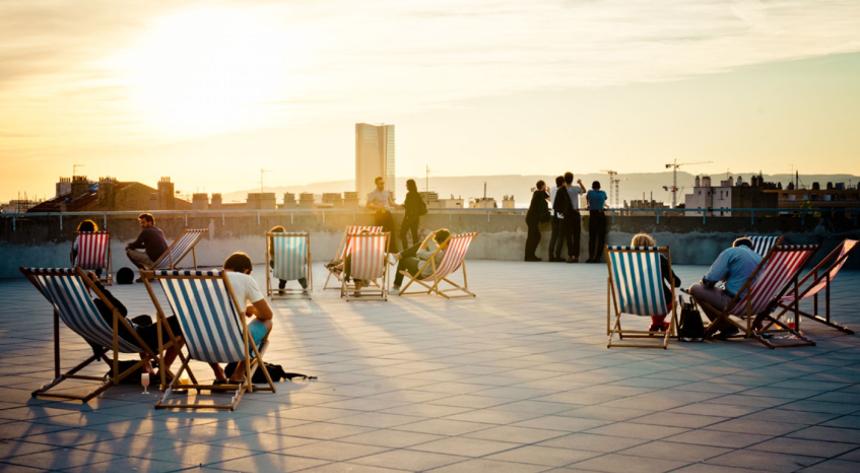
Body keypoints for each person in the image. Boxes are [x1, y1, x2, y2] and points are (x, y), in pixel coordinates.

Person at [85, 271, 183, 380]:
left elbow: (88, 334)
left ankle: (147, 367)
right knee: (181, 323)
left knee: (145, 319)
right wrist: (98, 286)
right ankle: (163, 372)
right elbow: (122, 310)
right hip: (136, 338)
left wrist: (98, 349)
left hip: (121, 337)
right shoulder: (97, 305)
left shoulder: (84, 310)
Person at [212, 252, 274, 384]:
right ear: (246, 270)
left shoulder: (206, 279)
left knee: (205, 327)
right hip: (234, 345)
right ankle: (238, 374)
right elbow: (267, 314)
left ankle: (218, 372)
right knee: (268, 322)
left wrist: (243, 309)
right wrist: (252, 309)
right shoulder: (245, 279)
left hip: (202, 346)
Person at [689, 237, 762, 338]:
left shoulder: (731, 252)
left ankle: (725, 327)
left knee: (695, 289)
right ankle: (722, 325)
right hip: (757, 305)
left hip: (736, 304)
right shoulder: (760, 258)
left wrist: (707, 282)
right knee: (720, 292)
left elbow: (709, 280)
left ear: (734, 246)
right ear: (751, 248)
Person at [630, 233, 680, 332]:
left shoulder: (629, 262)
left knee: (651, 296)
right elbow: (676, 282)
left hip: (635, 301)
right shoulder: (659, 259)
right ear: (651, 245)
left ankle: (657, 324)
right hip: (661, 301)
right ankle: (657, 323)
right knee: (666, 298)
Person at [268, 225, 308, 295]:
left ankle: (281, 287)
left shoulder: (272, 248)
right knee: (295, 264)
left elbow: (274, 262)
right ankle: (305, 287)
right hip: (295, 267)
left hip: (281, 269)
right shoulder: (289, 243)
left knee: (278, 264)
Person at [367, 176, 398, 252]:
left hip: (387, 214)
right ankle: (380, 251)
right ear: (376, 184)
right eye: (380, 183)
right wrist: (377, 206)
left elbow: (391, 203)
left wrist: (400, 205)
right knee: (380, 233)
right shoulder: (373, 193)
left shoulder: (387, 192)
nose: (382, 185)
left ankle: (391, 251)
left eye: (383, 183)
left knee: (391, 232)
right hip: (379, 215)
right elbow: (368, 204)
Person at [563, 172, 586, 263]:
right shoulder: (576, 189)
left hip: (567, 214)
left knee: (569, 236)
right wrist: (580, 182)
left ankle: (570, 256)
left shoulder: (563, 189)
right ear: (572, 179)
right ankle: (576, 256)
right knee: (577, 236)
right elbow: (584, 191)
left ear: (565, 179)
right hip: (576, 213)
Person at [524, 180, 550, 261]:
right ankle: (529, 256)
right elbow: (550, 199)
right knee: (534, 237)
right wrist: (548, 191)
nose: (545, 187)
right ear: (542, 186)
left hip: (531, 218)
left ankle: (529, 255)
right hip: (532, 219)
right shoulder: (540, 193)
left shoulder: (537, 193)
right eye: (545, 186)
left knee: (532, 237)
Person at [400, 179, 427, 250]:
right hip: (416, 218)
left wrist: (402, 205)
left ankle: (405, 250)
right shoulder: (417, 195)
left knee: (402, 234)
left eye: (407, 185)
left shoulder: (409, 195)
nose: (406, 186)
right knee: (415, 236)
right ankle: (415, 252)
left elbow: (407, 206)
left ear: (409, 186)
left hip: (409, 217)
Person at [586, 181, 608, 263]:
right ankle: (598, 258)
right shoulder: (603, 193)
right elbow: (605, 198)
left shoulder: (590, 193)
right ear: (600, 187)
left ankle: (591, 257)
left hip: (593, 215)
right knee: (601, 238)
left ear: (592, 187)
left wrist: (589, 205)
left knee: (592, 237)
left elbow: (588, 199)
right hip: (601, 215)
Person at [548, 176, 568, 262]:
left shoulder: (552, 189)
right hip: (560, 214)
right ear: (563, 182)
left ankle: (550, 255)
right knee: (560, 236)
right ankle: (557, 255)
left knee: (553, 236)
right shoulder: (563, 191)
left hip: (553, 214)